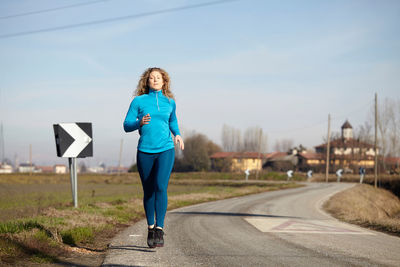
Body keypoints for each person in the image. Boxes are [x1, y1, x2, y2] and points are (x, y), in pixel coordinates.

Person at [123, 67, 184, 248]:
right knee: (149, 190)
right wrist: (139, 122)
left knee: (160, 186)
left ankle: (160, 228)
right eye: (152, 78)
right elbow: (126, 125)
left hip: (166, 149)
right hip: (145, 151)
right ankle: (150, 227)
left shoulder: (170, 102)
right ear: (146, 81)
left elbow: (172, 120)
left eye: (159, 77)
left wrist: (177, 134)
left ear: (164, 81)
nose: (155, 80)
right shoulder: (138, 101)